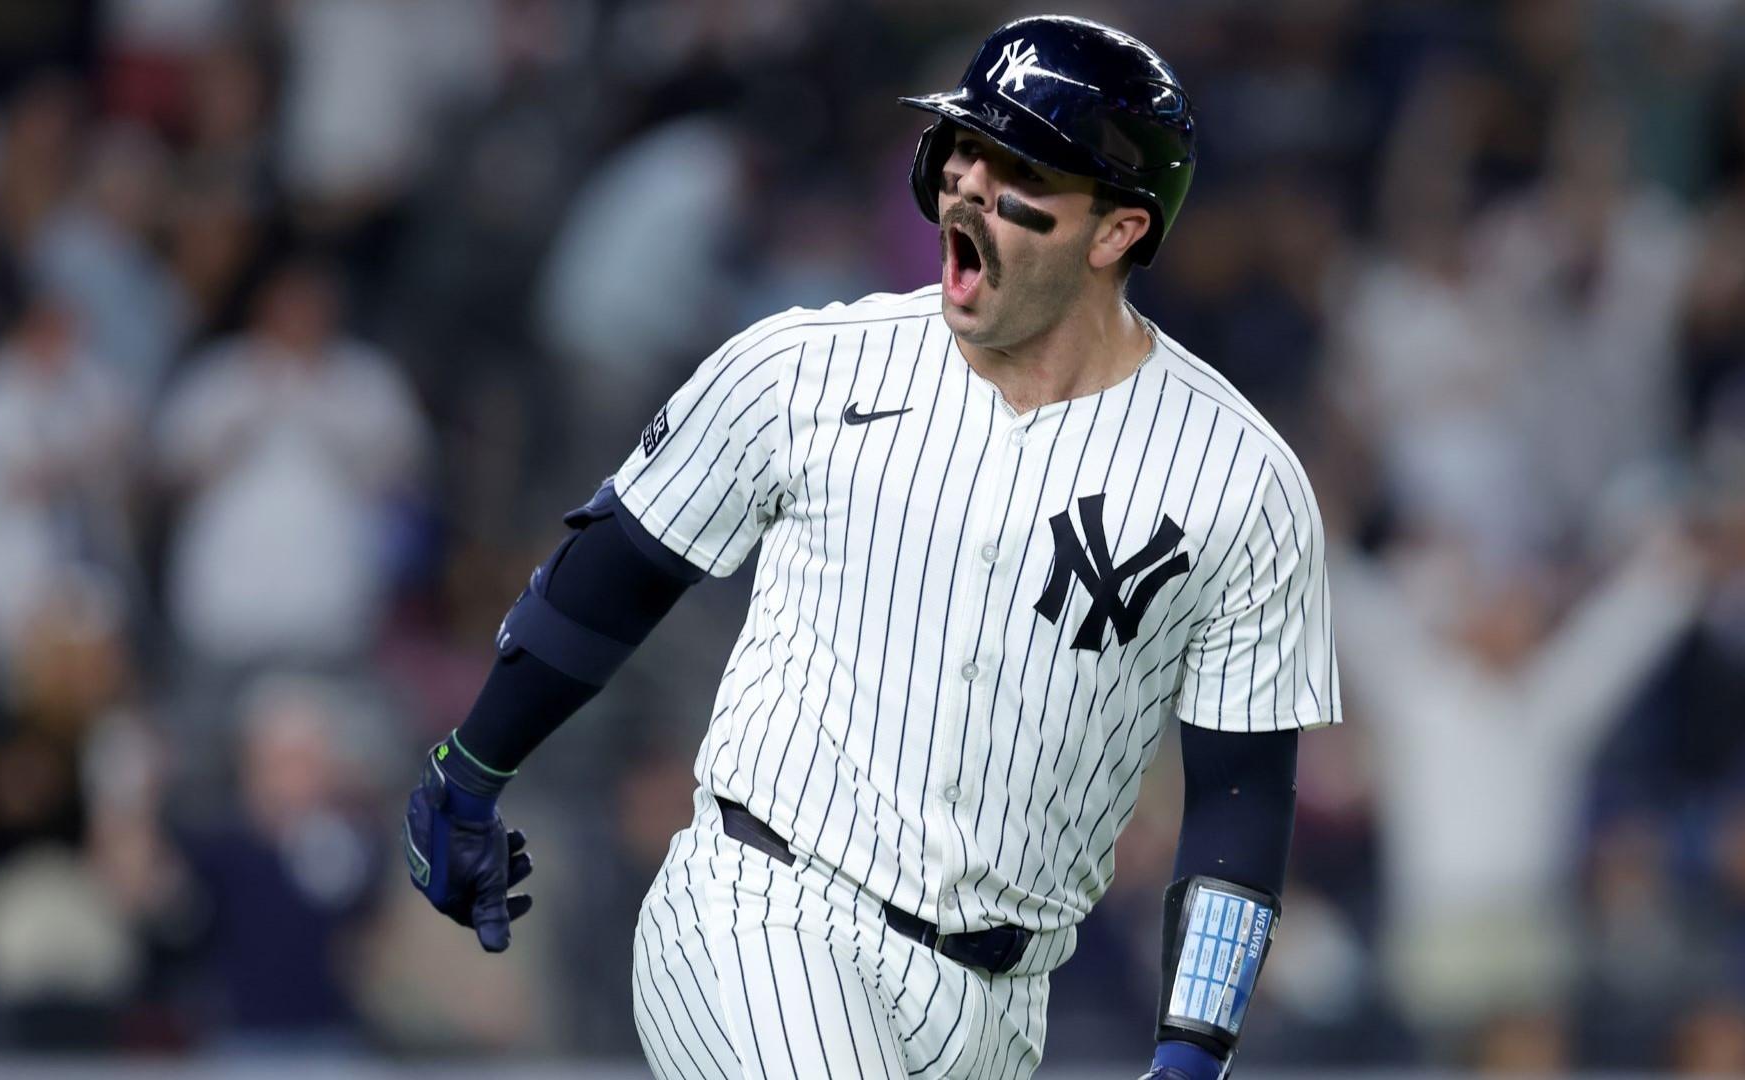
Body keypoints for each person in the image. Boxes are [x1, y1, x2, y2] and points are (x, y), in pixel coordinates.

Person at [402, 16, 1338, 1079]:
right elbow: (618, 568)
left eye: (1018, 162)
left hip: (1001, 1007)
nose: (968, 184)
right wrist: (469, 769)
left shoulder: (1240, 479)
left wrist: (1193, 1051)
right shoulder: (805, 368)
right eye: (963, 147)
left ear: (1118, 231)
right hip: (762, 911)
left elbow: (1241, 792)